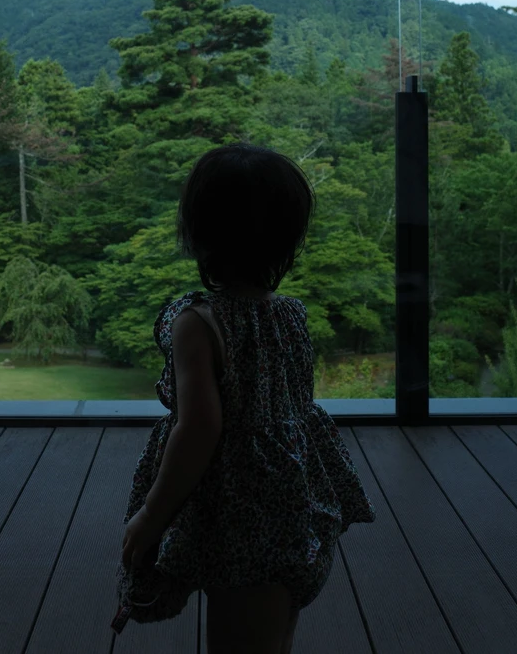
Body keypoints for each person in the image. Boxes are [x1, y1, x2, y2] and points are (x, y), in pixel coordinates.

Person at [112, 142, 377, 652]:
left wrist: (152, 513)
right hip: (292, 496)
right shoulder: (291, 316)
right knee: (273, 631)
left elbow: (201, 428)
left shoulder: (198, 323)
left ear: (199, 234)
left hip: (240, 508)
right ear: (287, 240)